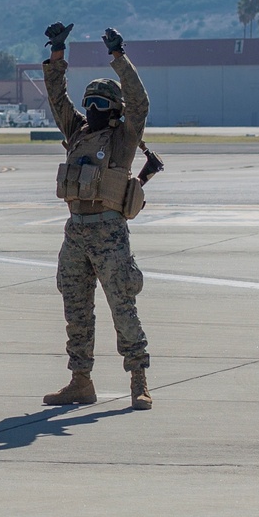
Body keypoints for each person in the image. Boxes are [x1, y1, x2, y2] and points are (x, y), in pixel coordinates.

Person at [40, 22, 153, 410]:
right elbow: (57, 98)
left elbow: (141, 103)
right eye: (89, 102)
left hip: (108, 233)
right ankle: (80, 381)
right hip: (76, 233)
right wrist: (57, 55)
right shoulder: (78, 132)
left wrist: (119, 57)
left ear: (116, 111)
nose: (92, 109)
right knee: (75, 307)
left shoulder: (123, 141)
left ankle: (139, 380)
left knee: (123, 306)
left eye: (101, 104)